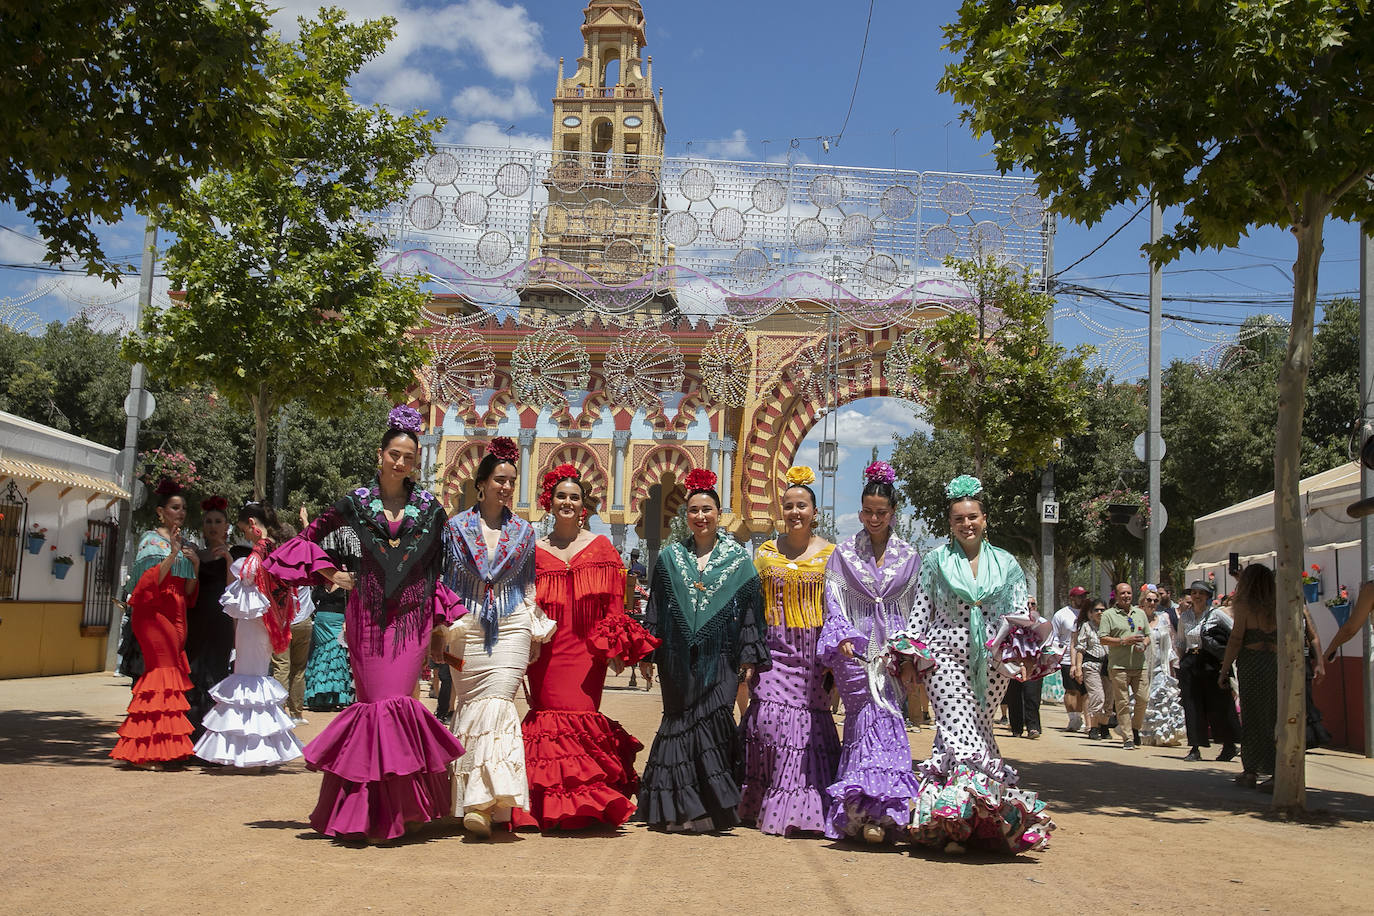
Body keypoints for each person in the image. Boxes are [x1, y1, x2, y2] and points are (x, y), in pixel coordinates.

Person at [265, 406, 465, 843]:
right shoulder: (354, 502)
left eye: (409, 458)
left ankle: (397, 812)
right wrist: (331, 575)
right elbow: (307, 538)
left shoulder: (431, 508)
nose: (400, 463)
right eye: (394, 454)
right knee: (375, 705)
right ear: (380, 455)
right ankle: (374, 811)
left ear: (416, 462)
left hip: (411, 620)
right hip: (367, 618)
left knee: (398, 703)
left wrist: (437, 628)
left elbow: (437, 571)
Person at [904, 474, 1056, 854]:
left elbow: (1020, 615)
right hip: (943, 658)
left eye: (972, 517)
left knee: (979, 734)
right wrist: (908, 657)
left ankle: (966, 824)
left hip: (993, 663)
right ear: (950, 524)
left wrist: (1022, 659)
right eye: (958, 519)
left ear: (985, 519)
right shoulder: (936, 561)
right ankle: (971, 817)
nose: (966, 524)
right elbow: (921, 613)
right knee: (960, 731)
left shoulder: (1007, 564)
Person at [513, 464, 658, 831]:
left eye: (574, 497)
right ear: (550, 501)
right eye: (561, 496)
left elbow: (612, 604)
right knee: (546, 716)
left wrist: (616, 650)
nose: (567, 502)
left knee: (579, 713)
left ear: (584, 506)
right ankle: (548, 803)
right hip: (546, 651)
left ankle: (583, 802)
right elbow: (523, 602)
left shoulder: (601, 548)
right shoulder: (533, 550)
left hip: (585, 653)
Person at [637, 467, 769, 833]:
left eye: (707, 510)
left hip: (721, 659)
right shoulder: (668, 559)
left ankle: (709, 807)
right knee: (678, 723)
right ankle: (678, 809)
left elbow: (750, 615)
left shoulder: (740, 563)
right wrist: (649, 652)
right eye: (693, 510)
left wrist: (747, 656)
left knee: (712, 724)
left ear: (718, 514)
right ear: (686, 515)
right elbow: (657, 609)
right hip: (676, 659)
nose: (700, 516)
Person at [442, 437, 553, 838]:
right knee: (470, 707)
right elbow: (446, 581)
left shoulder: (523, 532)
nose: (506, 487)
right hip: (466, 627)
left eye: (511, 481)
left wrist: (534, 631)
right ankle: (486, 803)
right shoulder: (454, 528)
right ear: (482, 483)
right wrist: (442, 628)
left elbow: (527, 585)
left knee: (499, 704)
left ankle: (481, 804)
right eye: (499, 480)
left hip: (510, 626)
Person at [819, 460, 922, 844]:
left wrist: (910, 649)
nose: (874, 518)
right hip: (856, 652)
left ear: (893, 513)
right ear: (860, 512)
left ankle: (881, 814)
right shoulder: (843, 553)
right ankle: (861, 812)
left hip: (893, 652)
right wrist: (843, 634)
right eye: (868, 512)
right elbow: (832, 600)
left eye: (881, 512)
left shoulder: (910, 555)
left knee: (889, 720)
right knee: (862, 723)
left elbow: (918, 606)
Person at [738, 465, 840, 836]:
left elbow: (837, 609)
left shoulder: (832, 555)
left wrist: (834, 660)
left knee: (806, 725)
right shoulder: (764, 554)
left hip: (812, 654)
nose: (796, 512)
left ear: (814, 512)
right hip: (773, 649)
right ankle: (763, 797)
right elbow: (750, 605)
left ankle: (802, 805)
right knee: (767, 721)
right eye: (790, 505)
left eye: (802, 506)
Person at [193, 503, 304, 770]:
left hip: (253, 621)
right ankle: (258, 749)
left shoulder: (259, 552)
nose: (246, 535)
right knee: (256, 678)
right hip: (263, 622)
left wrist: (236, 567)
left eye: (245, 529)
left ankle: (248, 751)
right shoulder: (279, 548)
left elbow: (248, 577)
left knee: (247, 680)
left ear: (253, 523)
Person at [110, 479, 199, 768]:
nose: (180, 512)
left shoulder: (185, 542)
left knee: (170, 676)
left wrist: (194, 565)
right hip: (152, 612)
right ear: (161, 511)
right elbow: (148, 584)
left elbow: (187, 592)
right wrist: (172, 554)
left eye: (183, 508)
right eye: (175, 508)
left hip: (177, 612)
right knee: (160, 674)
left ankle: (162, 747)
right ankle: (146, 751)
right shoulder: (151, 540)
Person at [184, 496, 237, 742]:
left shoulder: (235, 556)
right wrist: (194, 565)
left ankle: (213, 741)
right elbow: (188, 590)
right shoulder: (195, 553)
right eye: (208, 521)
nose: (213, 526)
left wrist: (228, 560)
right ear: (202, 526)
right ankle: (191, 736)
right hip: (195, 622)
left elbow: (232, 593)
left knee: (215, 676)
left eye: (218, 521)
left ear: (227, 527)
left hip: (220, 624)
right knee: (193, 674)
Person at [1176, 579, 1239, 762]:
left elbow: (1235, 630)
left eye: (1201, 593)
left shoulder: (1216, 614)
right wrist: (1182, 661)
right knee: (1192, 705)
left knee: (1218, 704)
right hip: (1190, 662)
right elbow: (1180, 640)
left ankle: (1228, 745)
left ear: (1208, 597)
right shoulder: (1185, 617)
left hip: (1211, 663)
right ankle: (1195, 747)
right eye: (1194, 593)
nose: (1197, 596)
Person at [303, 525, 358, 711]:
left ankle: (336, 696)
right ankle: (318, 697)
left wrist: (346, 623)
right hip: (320, 624)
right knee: (320, 657)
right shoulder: (318, 584)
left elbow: (351, 604)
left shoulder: (345, 584)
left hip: (338, 624)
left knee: (335, 658)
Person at [270, 518, 315, 725]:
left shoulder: (274, 561)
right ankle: (297, 713)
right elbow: (310, 541)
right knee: (299, 668)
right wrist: (305, 522)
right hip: (304, 620)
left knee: (281, 667)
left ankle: (279, 711)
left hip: (282, 621)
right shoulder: (304, 560)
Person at [1099, 582, 1149, 750]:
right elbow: (1103, 638)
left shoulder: (1140, 613)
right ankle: (1128, 737)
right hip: (1118, 666)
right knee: (1123, 702)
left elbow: (1148, 635)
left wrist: (1145, 644)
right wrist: (1123, 641)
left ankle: (1135, 728)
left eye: (1128, 593)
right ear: (1116, 595)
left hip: (1139, 665)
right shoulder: (1108, 615)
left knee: (1143, 699)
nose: (1126, 596)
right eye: (1122, 593)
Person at [1140, 587, 1185, 746]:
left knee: (1160, 699)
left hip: (1161, 667)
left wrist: (1171, 667)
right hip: (1141, 667)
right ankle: (1143, 734)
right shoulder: (1136, 619)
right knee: (1143, 700)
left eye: (1155, 600)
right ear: (1142, 602)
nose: (1152, 603)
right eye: (1149, 600)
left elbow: (1170, 644)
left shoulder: (1163, 619)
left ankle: (1162, 735)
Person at [1005, 595, 1045, 739]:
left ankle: (1033, 727)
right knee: (1014, 695)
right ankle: (1016, 728)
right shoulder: (1012, 622)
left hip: (1034, 664)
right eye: (1026, 603)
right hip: (1013, 664)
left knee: (1032, 696)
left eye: (1032, 604)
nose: (1029, 606)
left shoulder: (1042, 623)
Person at [1072, 601, 1111, 739]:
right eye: (1096, 610)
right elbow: (1080, 648)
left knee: (1108, 698)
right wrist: (1077, 668)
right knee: (1097, 696)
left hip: (1108, 667)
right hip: (1091, 665)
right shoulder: (1086, 627)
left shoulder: (1110, 626)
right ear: (1091, 612)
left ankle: (1104, 726)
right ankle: (1093, 727)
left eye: (1102, 610)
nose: (1100, 613)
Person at [1052, 586, 1089, 732]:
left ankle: (1086, 719)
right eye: (1080, 596)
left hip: (1087, 657)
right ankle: (1074, 719)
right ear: (1072, 598)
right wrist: (1058, 654)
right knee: (1072, 690)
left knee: (1085, 691)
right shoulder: (1061, 615)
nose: (1083, 599)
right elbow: (1054, 637)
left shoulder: (1089, 613)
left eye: (1084, 596)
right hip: (1067, 658)